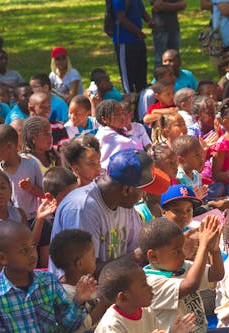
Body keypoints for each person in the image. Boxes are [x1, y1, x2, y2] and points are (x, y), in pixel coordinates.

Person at [49, 148, 170, 276]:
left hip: (113, 285)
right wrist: (138, 256)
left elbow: (136, 246)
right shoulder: (82, 208)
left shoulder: (124, 203)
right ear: (126, 189)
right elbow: (83, 273)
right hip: (74, 292)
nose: (143, 195)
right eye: (142, 190)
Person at [0, 221, 97, 332]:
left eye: (33, 245)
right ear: (2, 258)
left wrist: (78, 301)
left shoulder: (49, 281)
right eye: (24, 250)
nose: (32, 253)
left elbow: (67, 326)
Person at [139, 216, 228, 333]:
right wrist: (203, 246)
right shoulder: (150, 283)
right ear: (153, 256)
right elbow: (191, 285)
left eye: (182, 249)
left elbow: (217, 275)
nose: (183, 255)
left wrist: (214, 250)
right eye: (177, 251)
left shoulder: (182, 266)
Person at [96, 256, 196, 333]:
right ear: (123, 297)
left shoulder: (146, 310)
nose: (150, 287)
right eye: (144, 285)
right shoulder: (112, 326)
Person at [50, 229, 110, 332]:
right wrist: (103, 305)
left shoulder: (89, 282)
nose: (95, 258)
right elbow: (78, 328)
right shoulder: (65, 293)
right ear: (80, 264)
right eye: (92, 254)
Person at [0, 124, 44, 219]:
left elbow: (44, 193)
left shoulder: (31, 164)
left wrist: (31, 189)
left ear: (9, 146)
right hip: (10, 224)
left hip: (33, 219)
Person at [113, 0, 152, 93]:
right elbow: (121, 18)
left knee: (141, 75)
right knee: (128, 78)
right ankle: (130, 101)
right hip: (125, 41)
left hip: (138, 41)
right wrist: (137, 32)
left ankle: (141, 100)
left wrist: (150, 21)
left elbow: (142, 10)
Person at [96, 100, 148, 169]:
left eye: (122, 113)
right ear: (104, 119)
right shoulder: (105, 135)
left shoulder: (122, 130)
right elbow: (130, 144)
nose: (122, 117)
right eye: (117, 115)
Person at [150, 0, 186, 67]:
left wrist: (165, 6)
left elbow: (183, 4)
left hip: (174, 28)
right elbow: (158, 5)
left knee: (175, 59)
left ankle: (173, 77)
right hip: (160, 29)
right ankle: (160, 77)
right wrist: (175, 5)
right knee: (160, 60)